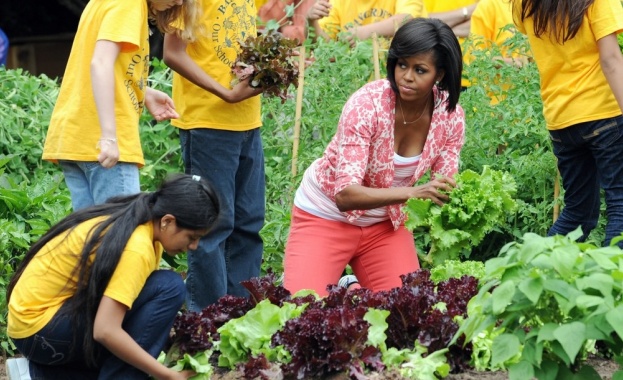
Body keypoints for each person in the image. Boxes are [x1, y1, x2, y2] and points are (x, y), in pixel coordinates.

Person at [283, 17, 465, 297]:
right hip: (326, 215)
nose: (406, 76)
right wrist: (415, 193)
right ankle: (347, 289)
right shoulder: (367, 105)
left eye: (420, 70)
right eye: (402, 64)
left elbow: (442, 185)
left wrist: (453, 208)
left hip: (385, 226)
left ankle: (351, 290)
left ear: (439, 75)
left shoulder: (449, 116)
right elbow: (345, 196)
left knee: (407, 308)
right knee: (299, 310)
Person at [6, 174, 220, 379]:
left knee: (132, 349)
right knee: (169, 287)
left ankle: (38, 375)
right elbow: (105, 331)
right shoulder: (137, 247)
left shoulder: (143, 221)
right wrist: (166, 375)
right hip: (41, 329)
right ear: (167, 221)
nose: (194, 246)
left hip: (35, 328)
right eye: (192, 237)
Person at [42, 0, 202, 211]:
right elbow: (100, 63)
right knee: (122, 235)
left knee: (91, 237)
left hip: (76, 137)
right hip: (102, 144)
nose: (180, 2)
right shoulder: (129, 5)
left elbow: (103, 64)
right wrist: (108, 137)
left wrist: (144, 93)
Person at [163, 1, 265, 311]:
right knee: (211, 225)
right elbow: (172, 52)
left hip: (248, 120)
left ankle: (240, 318)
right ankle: (208, 320)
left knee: (249, 221)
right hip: (207, 122)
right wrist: (224, 92)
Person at [511, 0, 623, 245]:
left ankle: (532, 275)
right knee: (620, 206)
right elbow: (611, 60)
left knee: (577, 214)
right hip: (603, 113)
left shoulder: (524, 3)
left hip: (561, 120)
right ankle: (614, 282)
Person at [306, 0, 428, 47]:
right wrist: (312, 21)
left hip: (399, 80)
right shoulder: (338, 2)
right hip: (355, 81)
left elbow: (407, 19)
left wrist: (362, 33)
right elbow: (324, 49)